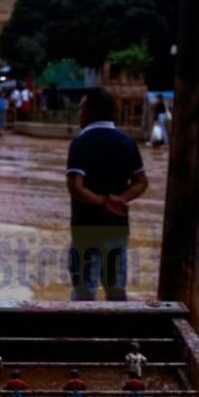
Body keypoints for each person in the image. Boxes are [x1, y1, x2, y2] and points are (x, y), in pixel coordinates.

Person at [66, 89, 148, 301]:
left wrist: (102, 201)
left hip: (86, 227)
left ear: (91, 111)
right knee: (116, 288)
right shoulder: (127, 142)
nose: (79, 113)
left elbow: (76, 187)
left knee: (84, 289)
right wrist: (120, 200)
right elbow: (141, 182)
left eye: (82, 108)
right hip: (117, 226)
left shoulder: (80, 143)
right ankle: (118, 332)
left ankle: (83, 333)